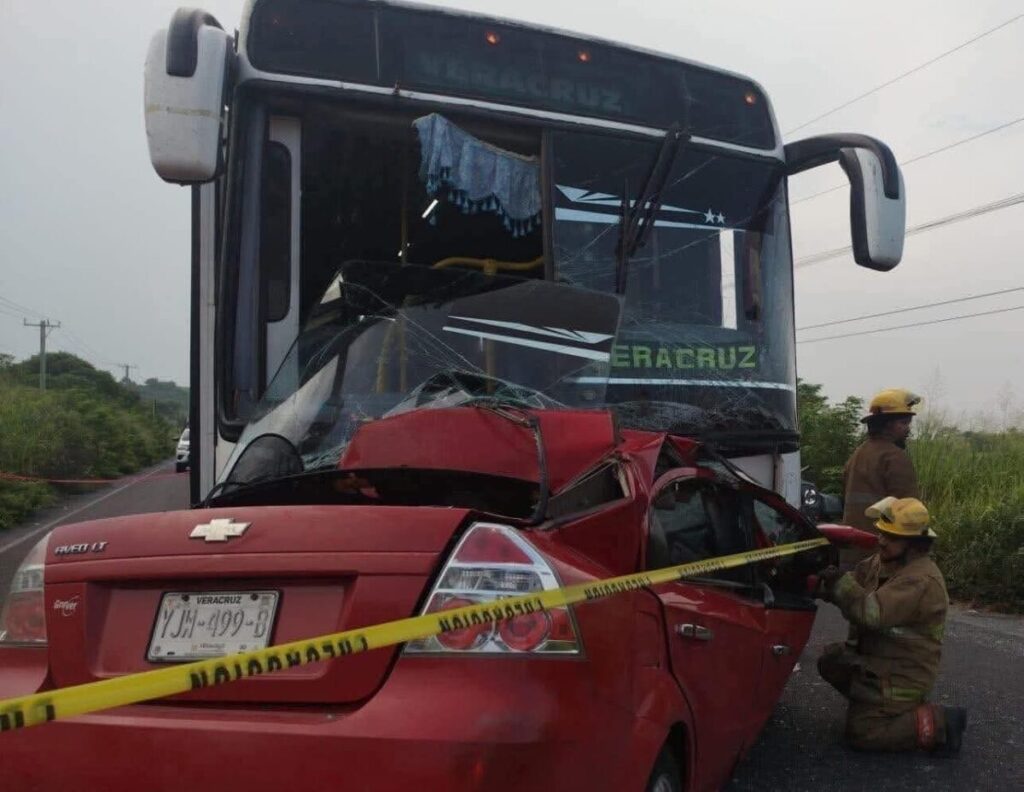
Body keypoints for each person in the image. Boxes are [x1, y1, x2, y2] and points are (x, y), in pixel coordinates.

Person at [816, 496, 967, 755]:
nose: (882, 541)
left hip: (902, 675)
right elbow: (852, 582)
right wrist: (815, 581)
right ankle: (878, 708)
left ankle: (940, 722)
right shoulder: (885, 561)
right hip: (879, 660)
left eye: (892, 537)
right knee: (831, 660)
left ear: (915, 545)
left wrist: (838, 584)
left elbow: (871, 613)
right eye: (881, 533)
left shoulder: (920, 580)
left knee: (863, 733)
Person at [842, 389, 922, 535]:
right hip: (883, 545)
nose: (907, 429)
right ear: (886, 425)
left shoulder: (858, 453)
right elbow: (909, 510)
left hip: (852, 543)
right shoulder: (894, 456)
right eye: (903, 423)